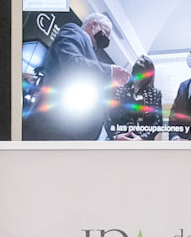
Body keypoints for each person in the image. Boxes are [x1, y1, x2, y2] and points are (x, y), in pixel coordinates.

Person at [30, 11, 124, 141]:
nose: (106, 39)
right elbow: (72, 63)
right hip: (53, 125)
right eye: (106, 33)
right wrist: (111, 71)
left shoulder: (92, 57)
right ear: (93, 25)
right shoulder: (74, 31)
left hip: (71, 131)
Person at [106, 55, 165, 140]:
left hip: (143, 142)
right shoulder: (119, 90)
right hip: (120, 139)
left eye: (142, 63)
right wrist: (115, 136)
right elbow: (107, 116)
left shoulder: (155, 94)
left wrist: (142, 138)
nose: (139, 63)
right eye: (138, 62)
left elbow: (158, 122)